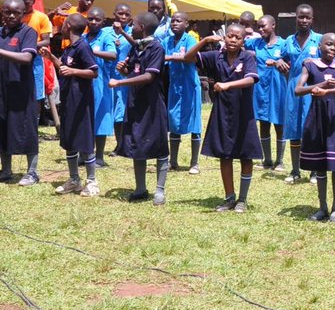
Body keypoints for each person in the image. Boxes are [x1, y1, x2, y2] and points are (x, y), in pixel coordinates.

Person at [183, 24, 262, 213]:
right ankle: (229, 197)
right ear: (224, 38)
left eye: (238, 37)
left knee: (245, 156)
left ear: (244, 41)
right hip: (221, 113)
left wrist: (228, 86)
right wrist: (204, 41)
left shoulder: (248, 57)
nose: (233, 40)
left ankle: (242, 199)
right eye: (230, 36)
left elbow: (251, 79)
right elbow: (187, 59)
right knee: (224, 156)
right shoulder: (215, 56)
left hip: (244, 114)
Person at [109, 12, 171, 206]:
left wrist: (120, 81)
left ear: (142, 27)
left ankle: (159, 190)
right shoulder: (137, 48)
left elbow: (149, 77)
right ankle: (140, 188)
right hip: (136, 102)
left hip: (153, 105)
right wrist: (124, 70)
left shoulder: (156, 48)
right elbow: (136, 71)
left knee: (159, 146)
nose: (131, 27)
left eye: (133, 25)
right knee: (137, 143)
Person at [0, 0, 39, 185]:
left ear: (23, 14)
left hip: (21, 89)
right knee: (1, 125)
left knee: (25, 127)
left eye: (16, 12)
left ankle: (32, 172)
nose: (12, 15)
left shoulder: (28, 32)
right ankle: (6, 170)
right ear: (2, 13)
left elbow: (26, 57)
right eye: (8, 12)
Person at [297, 32, 335, 223]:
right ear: (319, 45)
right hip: (316, 116)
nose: (332, 49)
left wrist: (327, 91)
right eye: (329, 44)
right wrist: (319, 85)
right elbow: (298, 90)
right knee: (320, 164)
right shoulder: (310, 65)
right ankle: (322, 207)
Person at [48, 14, 99, 196]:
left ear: (68, 26)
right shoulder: (70, 47)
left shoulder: (83, 46)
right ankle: (74, 179)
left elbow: (93, 72)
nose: (60, 27)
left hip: (81, 102)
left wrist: (74, 71)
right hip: (69, 99)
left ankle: (92, 182)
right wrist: (52, 57)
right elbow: (63, 67)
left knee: (84, 139)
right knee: (69, 138)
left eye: (62, 24)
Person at [279, 4, 322, 184]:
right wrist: (279, 62)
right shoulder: (288, 40)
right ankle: (295, 170)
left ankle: (313, 170)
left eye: (308, 17)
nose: (304, 20)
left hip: (313, 89)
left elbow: (332, 59)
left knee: (311, 128)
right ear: (295, 17)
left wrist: (317, 61)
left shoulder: (319, 39)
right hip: (293, 88)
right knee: (294, 128)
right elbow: (280, 57)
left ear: (312, 19)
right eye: (301, 17)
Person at [163, 11, 203, 174]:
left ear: (186, 24)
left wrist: (171, 57)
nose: (174, 24)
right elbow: (160, 57)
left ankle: (194, 163)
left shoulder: (191, 39)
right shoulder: (167, 41)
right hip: (174, 86)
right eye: (173, 21)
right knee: (173, 121)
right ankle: (173, 161)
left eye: (178, 21)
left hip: (190, 86)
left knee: (194, 123)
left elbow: (191, 58)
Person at [247, 15, 288, 171]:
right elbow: (238, 42)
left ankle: (280, 161)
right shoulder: (256, 43)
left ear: (273, 25)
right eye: (259, 26)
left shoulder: (283, 44)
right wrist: (246, 30)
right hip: (260, 90)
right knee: (263, 123)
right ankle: (267, 160)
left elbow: (290, 62)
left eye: (264, 26)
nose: (261, 29)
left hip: (278, 89)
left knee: (279, 124)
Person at [83, 8, 117, 170]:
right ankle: (85, 154)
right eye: (90, 19)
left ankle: (100, 157)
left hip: (100, 83)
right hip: (84, 83)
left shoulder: (105, 37)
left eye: (97, 19)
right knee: (86, 118)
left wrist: (95, 52)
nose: (93, 22)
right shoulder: (83, 37)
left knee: (100, 119)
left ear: (103, 22)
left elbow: (113, 54)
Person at [109, 4, 133, 156]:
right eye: (120, 13)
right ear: (114, 15)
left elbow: (138, 47)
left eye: (126, 14)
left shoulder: (133, 33)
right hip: (108, 77)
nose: (123, 17)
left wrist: (123, 33)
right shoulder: (106, 32)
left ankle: (124, 145)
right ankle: (119, 144)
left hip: (126, 77)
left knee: (123, 111)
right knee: (112, 112)